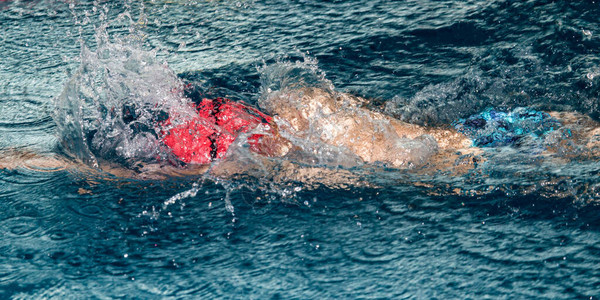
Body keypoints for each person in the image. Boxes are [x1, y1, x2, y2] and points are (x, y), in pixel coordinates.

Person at [2, 86, 599, 181]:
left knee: (440, 161)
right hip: (291, 114)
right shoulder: (292, 109)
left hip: (289, 137)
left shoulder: (265, 154)